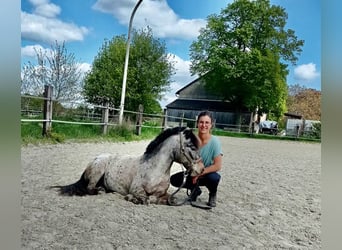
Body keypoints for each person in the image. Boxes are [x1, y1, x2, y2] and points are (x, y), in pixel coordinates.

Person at [170, 111, 223, 207]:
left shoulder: (215, 141)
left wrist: (199, 173)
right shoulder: (191, 140)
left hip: (207, 174)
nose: (204, 125)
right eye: (201, 122)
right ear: (197, 123)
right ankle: (195, 190)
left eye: (207, 123)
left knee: (214, 178)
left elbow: (217, 165)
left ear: (211, 125)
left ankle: (212, 194)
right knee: (174, 179)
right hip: (192, 172)